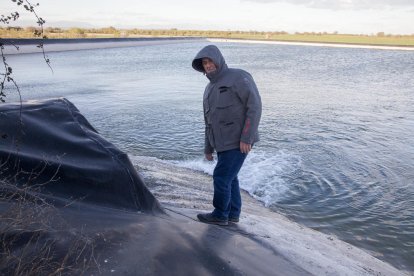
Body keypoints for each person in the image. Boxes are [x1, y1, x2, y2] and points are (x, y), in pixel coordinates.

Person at [192, 45, 262, 226]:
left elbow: (254, 106)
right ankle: (232, 214)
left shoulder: (239, 76)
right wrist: (208, 148)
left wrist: (247, 137)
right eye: (204, 63)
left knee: (221, 177)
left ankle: (220, 214)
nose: (208, 65)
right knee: (231, 178)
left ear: (218, 59)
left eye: (210, 61)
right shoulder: (208, 89)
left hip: (238, 141)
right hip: (221, 143)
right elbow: (208, 121)